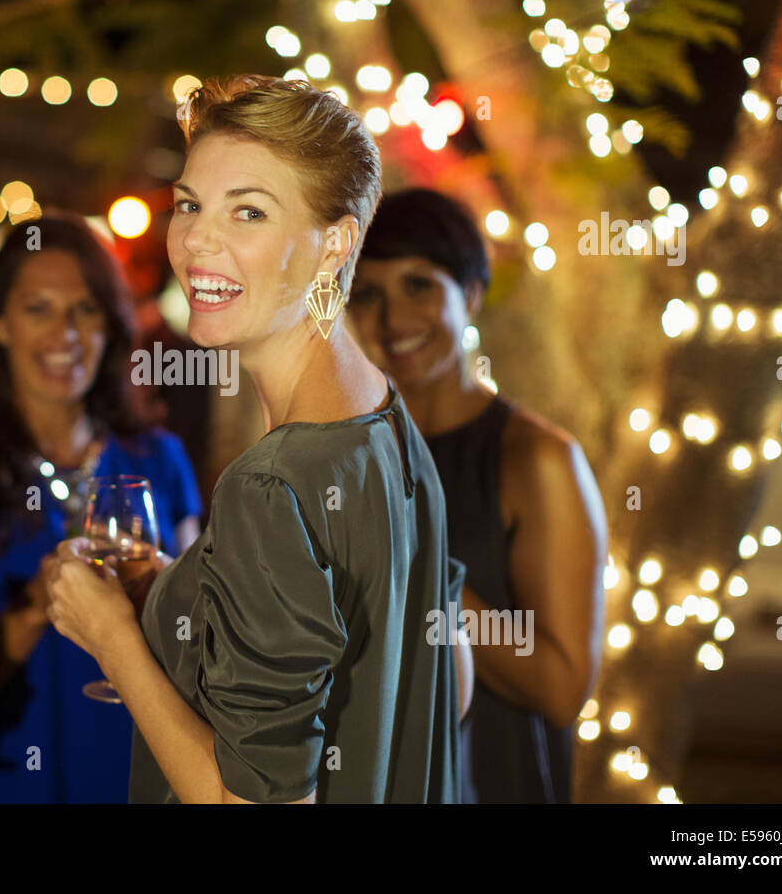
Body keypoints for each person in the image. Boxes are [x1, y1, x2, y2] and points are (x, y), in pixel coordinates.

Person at [47, 75, 473, 804]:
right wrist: (184, 597)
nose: (197, 239)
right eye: (190, 204)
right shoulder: (387, 419)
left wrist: (113, 639)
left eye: (248, 211)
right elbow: (452, 677)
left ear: (336, 241)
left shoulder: (271, 483)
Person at [0, 212, 203, 803]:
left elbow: (199, 631)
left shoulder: (161, 459)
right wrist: (32, 610)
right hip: (11, 776)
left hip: (141, 769)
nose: (64, 333)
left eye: (85, 309)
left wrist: (166, 585)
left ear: (111, 326)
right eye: (37, 308)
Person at [348, 188, 607, 802]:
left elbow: (563, 688)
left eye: (419, 286)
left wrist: (420, 560)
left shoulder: (536, 458)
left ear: (470, 294)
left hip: (494, 776)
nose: (393, 320)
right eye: (367, 294)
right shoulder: (354, 453)